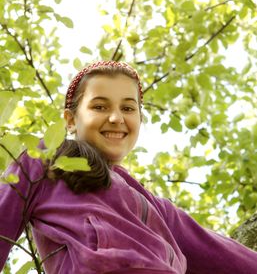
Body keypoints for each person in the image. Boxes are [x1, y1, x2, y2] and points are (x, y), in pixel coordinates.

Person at [0, 60, 257, 274]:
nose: (116, 118)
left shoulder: (157, 208)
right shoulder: (44, 161)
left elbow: (224, 254)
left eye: (128, 108)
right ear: (70, 119)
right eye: (99, 106)